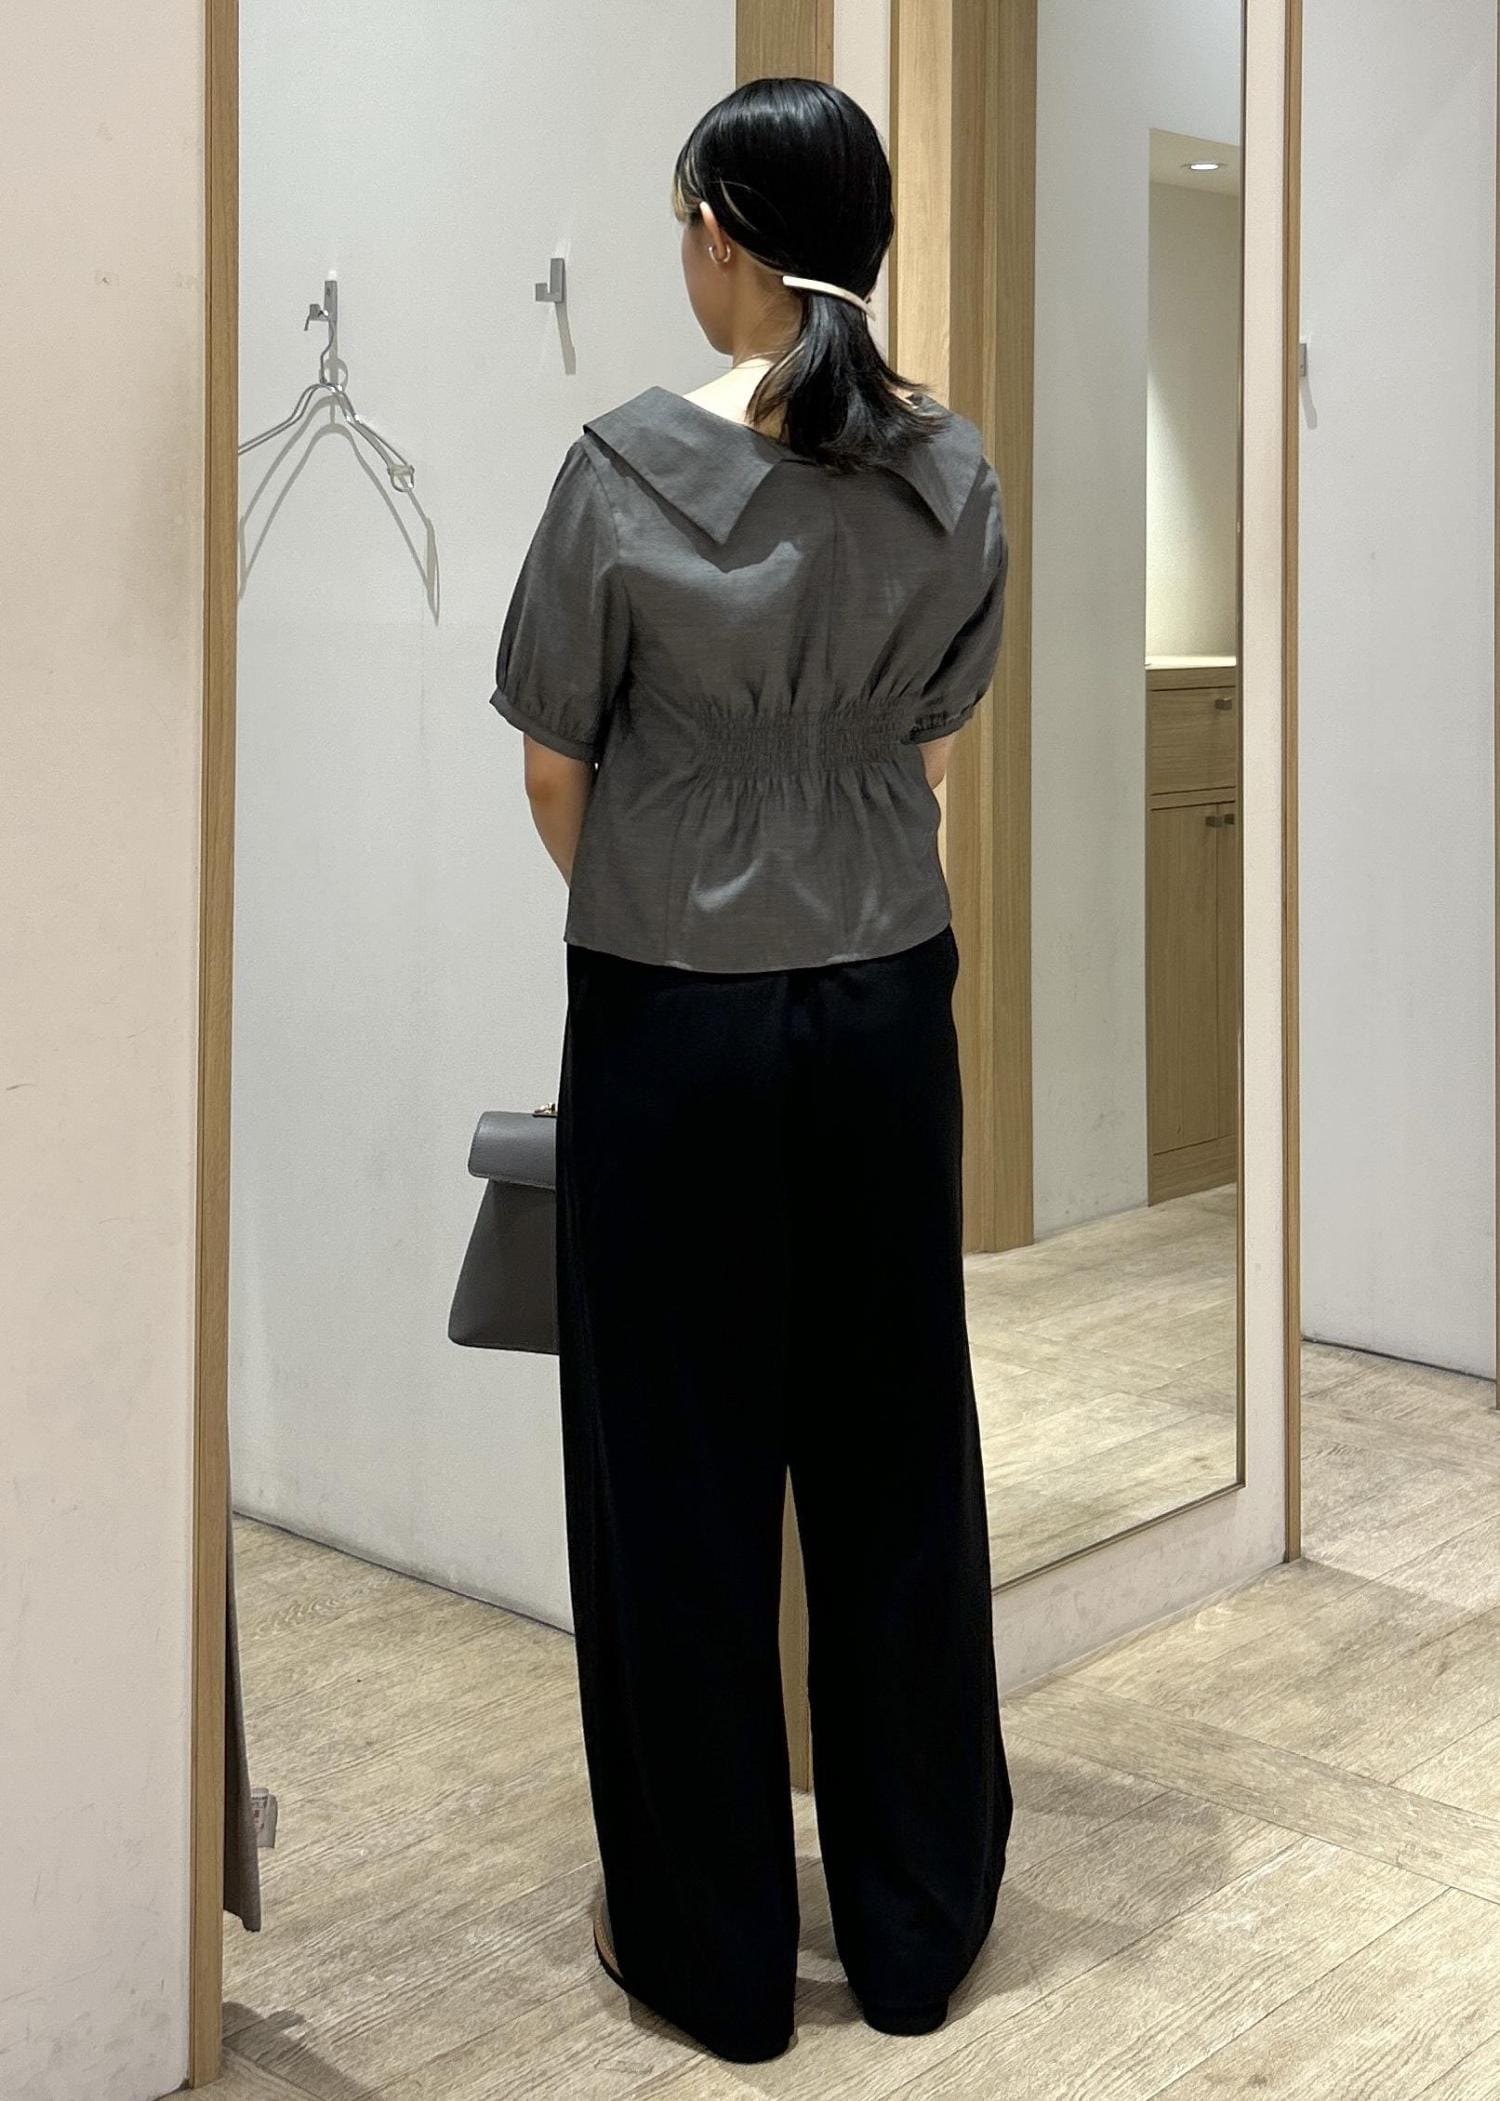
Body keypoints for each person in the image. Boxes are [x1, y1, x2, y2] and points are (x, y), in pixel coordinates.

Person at [490, 75, 1013, 2066]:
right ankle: (912, 1928)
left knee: (679, 1474)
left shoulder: (624, 469)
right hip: (884, 1004)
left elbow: (557, 770)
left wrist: (680, 906)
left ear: (721, 231)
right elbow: (927, 744)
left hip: (675, 1015)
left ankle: (713, 1958)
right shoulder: (950, 471)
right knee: (895, 1452)